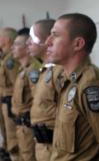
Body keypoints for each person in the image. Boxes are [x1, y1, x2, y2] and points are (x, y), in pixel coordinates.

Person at [46, 13, 99, 161]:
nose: (48, 41)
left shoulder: (92, 85)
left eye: (55, 35)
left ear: (78, 44)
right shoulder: (69, 80)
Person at [28, 19, 63, 161]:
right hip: (42, 144)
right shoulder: (44, 69)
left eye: (32, 38)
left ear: (46, 40)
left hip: (54, 146)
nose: (28, 43)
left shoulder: (59, 71)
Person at [11, 34, 42, 161]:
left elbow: (39, 99)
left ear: (27, 48)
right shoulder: (22, 69)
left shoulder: (34, 70)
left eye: (17, 44)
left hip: (29, 127)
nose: (12, 47)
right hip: (21, 127)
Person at [0, 27, 20, 161]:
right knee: (7, 133)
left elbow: (16, 85)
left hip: (11, 103)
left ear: (6, 39)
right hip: (5, 101)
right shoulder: (5, 57)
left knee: (14, 137)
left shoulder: (11, 60)